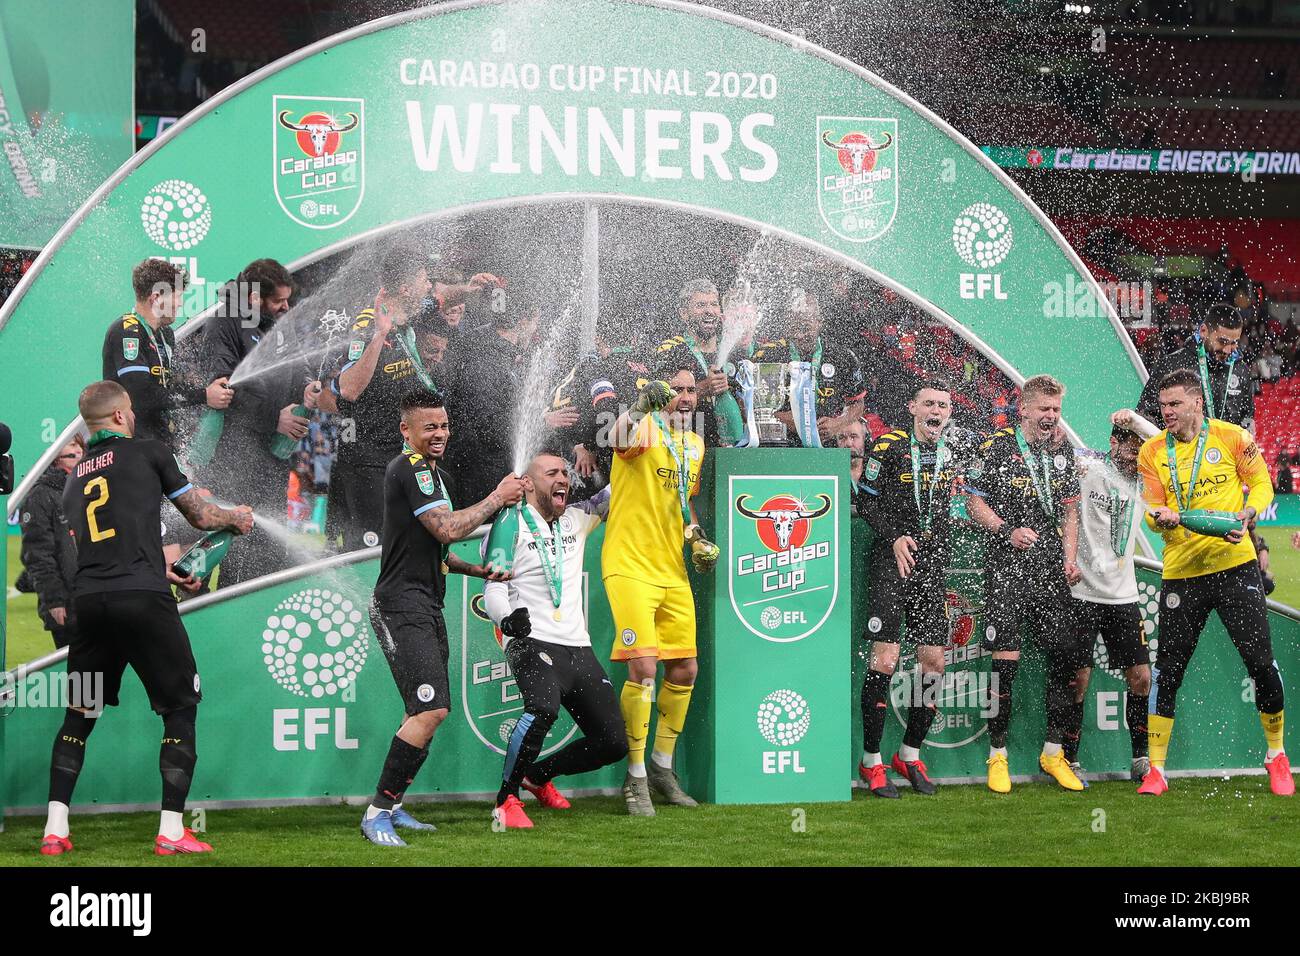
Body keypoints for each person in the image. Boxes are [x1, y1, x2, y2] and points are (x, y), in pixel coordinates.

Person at [39, 381, 253, 856]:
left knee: (79, 713)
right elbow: (199, 516)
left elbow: (105, 544)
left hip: (92, 605)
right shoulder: (150, 452)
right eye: (130, 412)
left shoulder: (74, 480)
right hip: (142, 600)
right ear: (118, 416)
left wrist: (164, 574)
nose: (134, 418)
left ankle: (55, 829)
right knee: (180, 708)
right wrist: (234, 517)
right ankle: (172, 830)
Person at [360, 389, 526, 847]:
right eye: (429, 426)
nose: (439, 434)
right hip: (401, 605)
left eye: (444, 425)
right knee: (430, 709)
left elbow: (440, 551)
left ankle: (392, 806)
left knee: (426, 709)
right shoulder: (409, 468)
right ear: (406, 431)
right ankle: (377, 811)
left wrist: (478, 569)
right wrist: (497, 496)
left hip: (424, 604)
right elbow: (447, 528)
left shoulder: (433, 475)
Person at [1136, 368, 1291, 796]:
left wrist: (1249, 512)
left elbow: (1261, 484)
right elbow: (1152, 509)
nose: (1166, 412)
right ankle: (1158, 771)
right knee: (1167, 672)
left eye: (1175, 404)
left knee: (1260, 663)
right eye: (1163, 405)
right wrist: (1160, 518)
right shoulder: (1151, 452)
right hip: (1182, 573)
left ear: (1197, 403)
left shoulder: (1232, 437)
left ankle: (1276, 755)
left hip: (1235, 567)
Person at [316, 246, 498, 550]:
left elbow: (442, 296)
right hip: (368, 462)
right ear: (404, 288)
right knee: (373, 552)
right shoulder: (366, 324)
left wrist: (471, 287)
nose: (428, 285)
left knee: (412, 545)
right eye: (423, 279)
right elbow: (348, 389)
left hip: (402, 455)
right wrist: (378, 335)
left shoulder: (411, 313)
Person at [483, 451, 627, 828]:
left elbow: (620, 487)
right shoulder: (508, 524)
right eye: (552, 473)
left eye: (565, 473)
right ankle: (506, 800)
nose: (562, 478)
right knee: (542, 709)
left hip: (577, 645)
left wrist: (633, 437)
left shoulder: (577, 519)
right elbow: (493, 590)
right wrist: (507, 618)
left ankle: (538, 776)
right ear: (528, 483)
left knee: (613, 742)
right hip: (531, 640)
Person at [603, 363, 719, 815]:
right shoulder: (643, 427)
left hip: (672, 569)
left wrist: (696, 538)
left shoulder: (695, 444)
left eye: (692, 391)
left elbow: (680, 506)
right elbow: (615, 440)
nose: (686, 398)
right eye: (677, 390)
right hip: (629, 565)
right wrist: (636, 407)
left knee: (686, 669)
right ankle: (633, 780)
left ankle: (661, 767)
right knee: (644, 669)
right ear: (659, 393)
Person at [965, 374, 1086, 794]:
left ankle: (1053, 753)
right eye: (1045, 410)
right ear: (1024, 410)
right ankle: (997, 755)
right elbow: (973, 502)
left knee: (1066, 656)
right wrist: (1006, 530)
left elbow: (1071, 513)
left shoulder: (1064, 451)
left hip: (1051, 571)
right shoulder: (996, 447)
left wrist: (1070, 559)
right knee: (1006, 662)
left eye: (1057, 410)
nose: (1052, 417)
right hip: (1006, 568)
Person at [856, 380, 975, 797]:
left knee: (934, 665)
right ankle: (870, 760)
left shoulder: (953, 450)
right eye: (928, 404)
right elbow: (866, 501)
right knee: (885, 660)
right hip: (892, 562)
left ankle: (908, 754)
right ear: (912, 407)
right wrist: (893, 536)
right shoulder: (888, 445)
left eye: (943, 405)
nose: (936, 411)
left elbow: (967, 499)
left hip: (931, 567)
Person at [200, 258, 321, 586]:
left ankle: (246, 625)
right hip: (232, 457)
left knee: (263, 556)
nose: (286, 307)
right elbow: (221, 390)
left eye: (287, 299)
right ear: (254, 297)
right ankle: (195, 620)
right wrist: (273, 419)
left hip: (271, 459)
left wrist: (307, 389)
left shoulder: (279, 324)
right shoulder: (223, 323)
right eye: (279, 301)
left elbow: (297, 368)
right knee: (216, 553)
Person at [1061, 411, 1158, 784]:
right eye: (1127, 447)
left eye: (1139, 450)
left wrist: (1135, 421)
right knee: (1079, 678)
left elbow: (1164, 444)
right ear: (1112, 444)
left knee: (1141, 678)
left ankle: (1140, 757)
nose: (1134, 456)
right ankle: (1068, 757)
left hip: (1123, 596)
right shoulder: (1087, 468)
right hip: (1081, 592)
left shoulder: (1147, 480)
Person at [102, 259, 232, 451]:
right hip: (130, 446)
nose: (180, 304)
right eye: (177, 297)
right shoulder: (127, 330)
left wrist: (210, 389)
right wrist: (203, 395)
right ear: (156, 298)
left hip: (159, 440)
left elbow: (165, 388)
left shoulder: (165, 334)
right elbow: (140, 396)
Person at [442, 283, 540, 506]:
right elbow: (486, 423)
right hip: (481, 474)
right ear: (523, 321)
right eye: (535, 322)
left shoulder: (501, 352)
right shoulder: (484, 356)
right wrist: (539, 421)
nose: (535, 330)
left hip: (491, 468)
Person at [750, 283, 866, 447]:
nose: (799, 334)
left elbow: (857, 403)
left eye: (805, 327)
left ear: (819, 322)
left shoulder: (842, 357)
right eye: (794, 327)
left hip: (826, 447)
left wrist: (837, 424)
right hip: (779, 446)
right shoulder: (769, 356)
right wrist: (783, 419)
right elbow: (747, 406)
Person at [1137, 303, 1255, 433]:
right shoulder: (1172, 364)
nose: (1228, 350)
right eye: (1222, 342)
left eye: (1234, 343)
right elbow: (1147, 414)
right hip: (1181, 451)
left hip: (1225, 451)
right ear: (1204, 331)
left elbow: (1247, 419)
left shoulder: (1241, 370)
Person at [654, 279, 740, 447]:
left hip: (730, 453)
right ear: (684, 313)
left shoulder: (733, 352)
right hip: (684, 449)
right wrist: (704, 388)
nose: (709, 311)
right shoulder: (671, 350)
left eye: (714, 304)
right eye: (701, 305)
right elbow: (660, 407)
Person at [19, 438, 84, 650]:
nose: (77, 449)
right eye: (70, 444)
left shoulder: (89, 485)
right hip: (69, 605)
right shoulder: (39, 496)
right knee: (84, 678)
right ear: (53, 454)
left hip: (99, 596)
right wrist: (54, 601)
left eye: (78, 444)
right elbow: (38, 555)